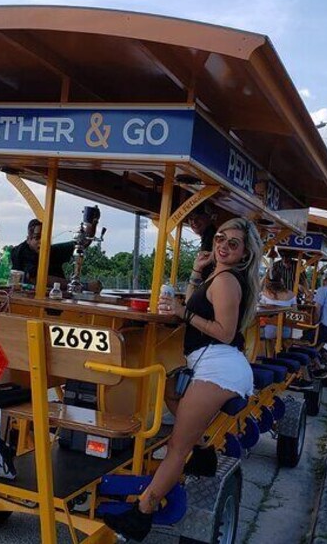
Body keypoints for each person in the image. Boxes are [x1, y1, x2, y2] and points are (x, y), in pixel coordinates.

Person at [103, 218, 261, 541]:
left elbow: (225, 332)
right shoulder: (217, 275)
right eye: (220, 238)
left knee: (176, 446)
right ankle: (202, 450)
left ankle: (142, 513)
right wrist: (194, 273)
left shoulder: (229, 281)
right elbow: (189, 304)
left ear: (244, 253)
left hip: (220, 368)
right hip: (207, 364)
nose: (224, 246)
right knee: (171, 390)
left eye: (233, 243)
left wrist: (183, 313)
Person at [10, 219, 76, 286]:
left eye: (46, 237)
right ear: (28, 239)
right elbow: (35, 278)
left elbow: (79, 243)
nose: (42, 241)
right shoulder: (20, 253)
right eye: (37, 237)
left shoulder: (53, 250)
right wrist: (70, 284)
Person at [186, 206, 217, 278]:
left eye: (198, 217)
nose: (194, 222)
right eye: (191, 218)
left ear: (208, 217)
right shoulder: (208, 234)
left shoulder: (211, 236)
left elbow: (205, 269)